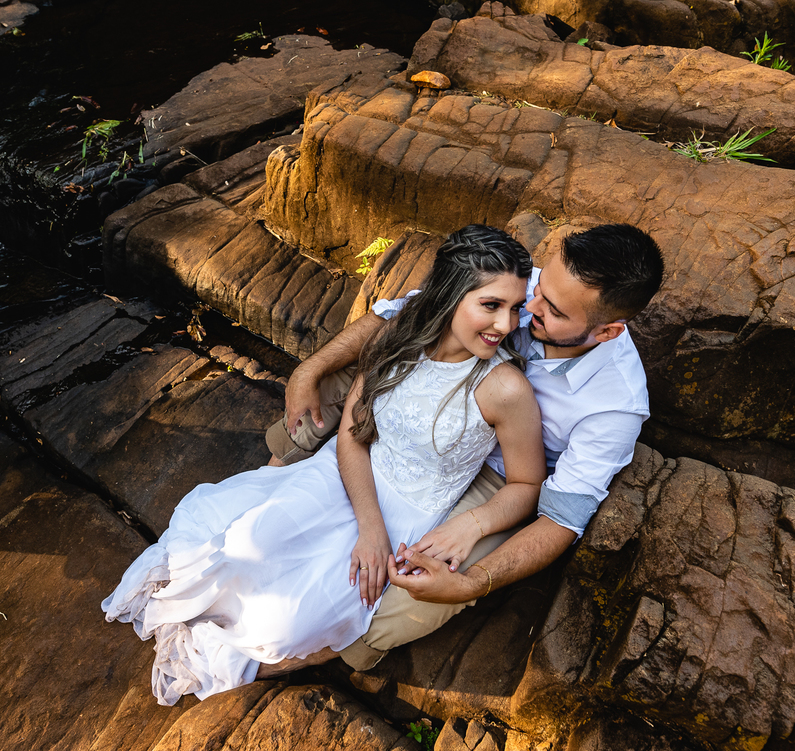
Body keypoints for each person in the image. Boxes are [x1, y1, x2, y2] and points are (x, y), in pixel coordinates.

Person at [101, 225, 545, 705]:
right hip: (343, 475)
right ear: (450, 295)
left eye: (515, 307)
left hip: (409, 515)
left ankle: (247, 651)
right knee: (243, 546)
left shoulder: (505, 388)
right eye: (491, 305)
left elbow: (526, 484)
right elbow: (353, 434)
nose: (506, 324)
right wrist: (369, 529)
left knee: (288, 623)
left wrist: (465, 526)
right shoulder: (400, 337)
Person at [260, 222, 664, 675]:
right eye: (537, 291)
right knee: (339, 379)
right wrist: (309, 369)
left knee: (423, 589)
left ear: (607, 332)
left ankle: (310, 656)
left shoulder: (615, 407)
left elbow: (560, 521)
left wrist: (472, 569)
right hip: (442, 391)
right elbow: (401, 317)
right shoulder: (527, 287)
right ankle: (269, 487)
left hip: (500, 477)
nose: (527, 310)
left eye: (551, 311)